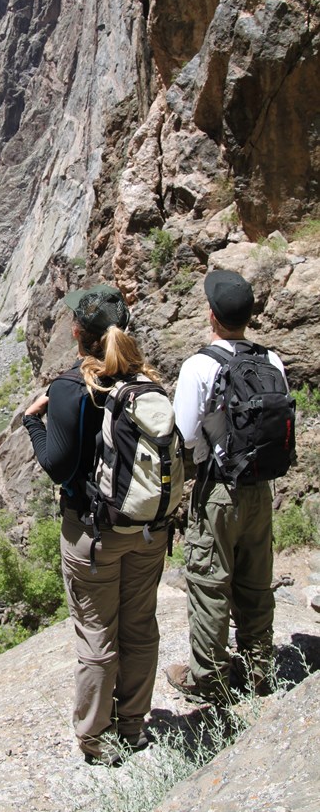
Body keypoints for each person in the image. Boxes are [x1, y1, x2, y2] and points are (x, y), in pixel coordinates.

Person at [22, 283, 168, 766]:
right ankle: (133, 726)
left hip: (93, 534)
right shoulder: (147, 381)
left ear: (77, 333)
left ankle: (96, 738)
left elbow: (60, 466)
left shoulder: (70, 388)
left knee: (97, 634)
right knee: (140, 627)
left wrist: (33, 423)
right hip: (147, 533)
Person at [165, 269, 288, 702]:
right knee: (256, 581)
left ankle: (209, 681)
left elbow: (185, 433)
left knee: (209, 583)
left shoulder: (199, 365)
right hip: (261, 489)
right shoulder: (272, 361)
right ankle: (259, 670)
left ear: (212, 316)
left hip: (217, 490)